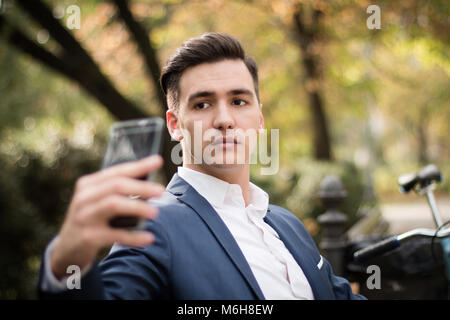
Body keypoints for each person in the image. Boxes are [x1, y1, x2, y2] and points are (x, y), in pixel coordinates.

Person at [38, 32, 365, 300]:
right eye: (203, 104)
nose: (224, 119)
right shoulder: (153, 227)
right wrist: (68, 262)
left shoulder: (286, 223)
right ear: (175, 124)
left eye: (239, 101)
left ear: (260, 118)